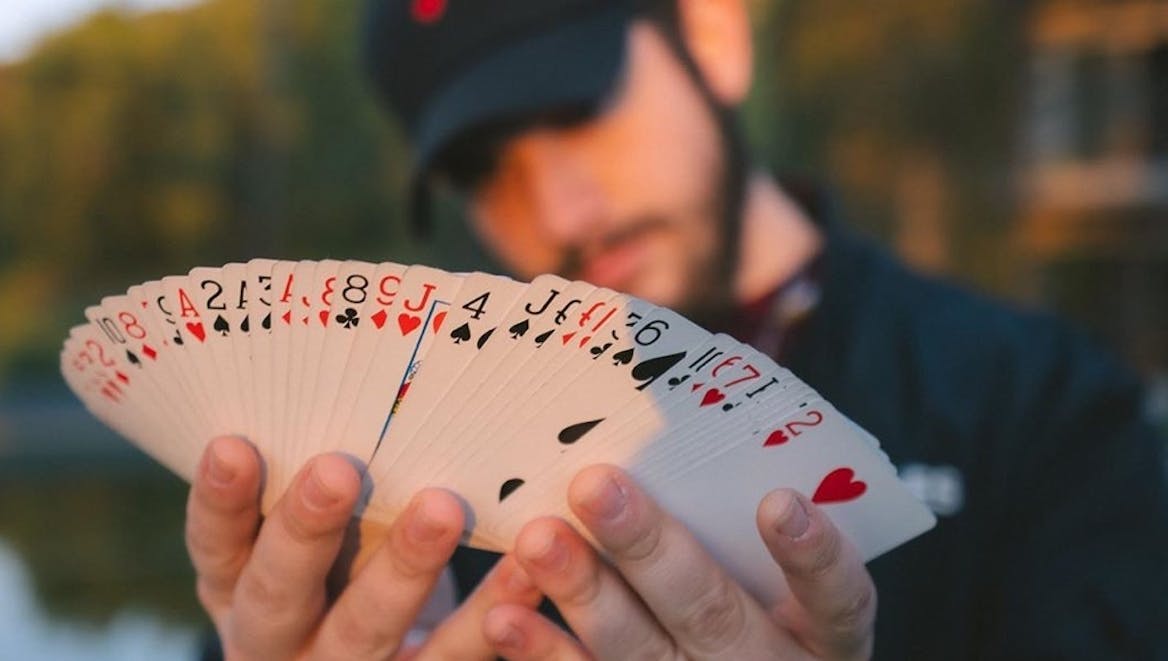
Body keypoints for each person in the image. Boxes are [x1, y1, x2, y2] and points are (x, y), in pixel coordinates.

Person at [188, 0, 1168, 658]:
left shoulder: (1045, 412)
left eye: (578, 110)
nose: (559, 211)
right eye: (485, 169)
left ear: (713, 36)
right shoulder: (385, 486)